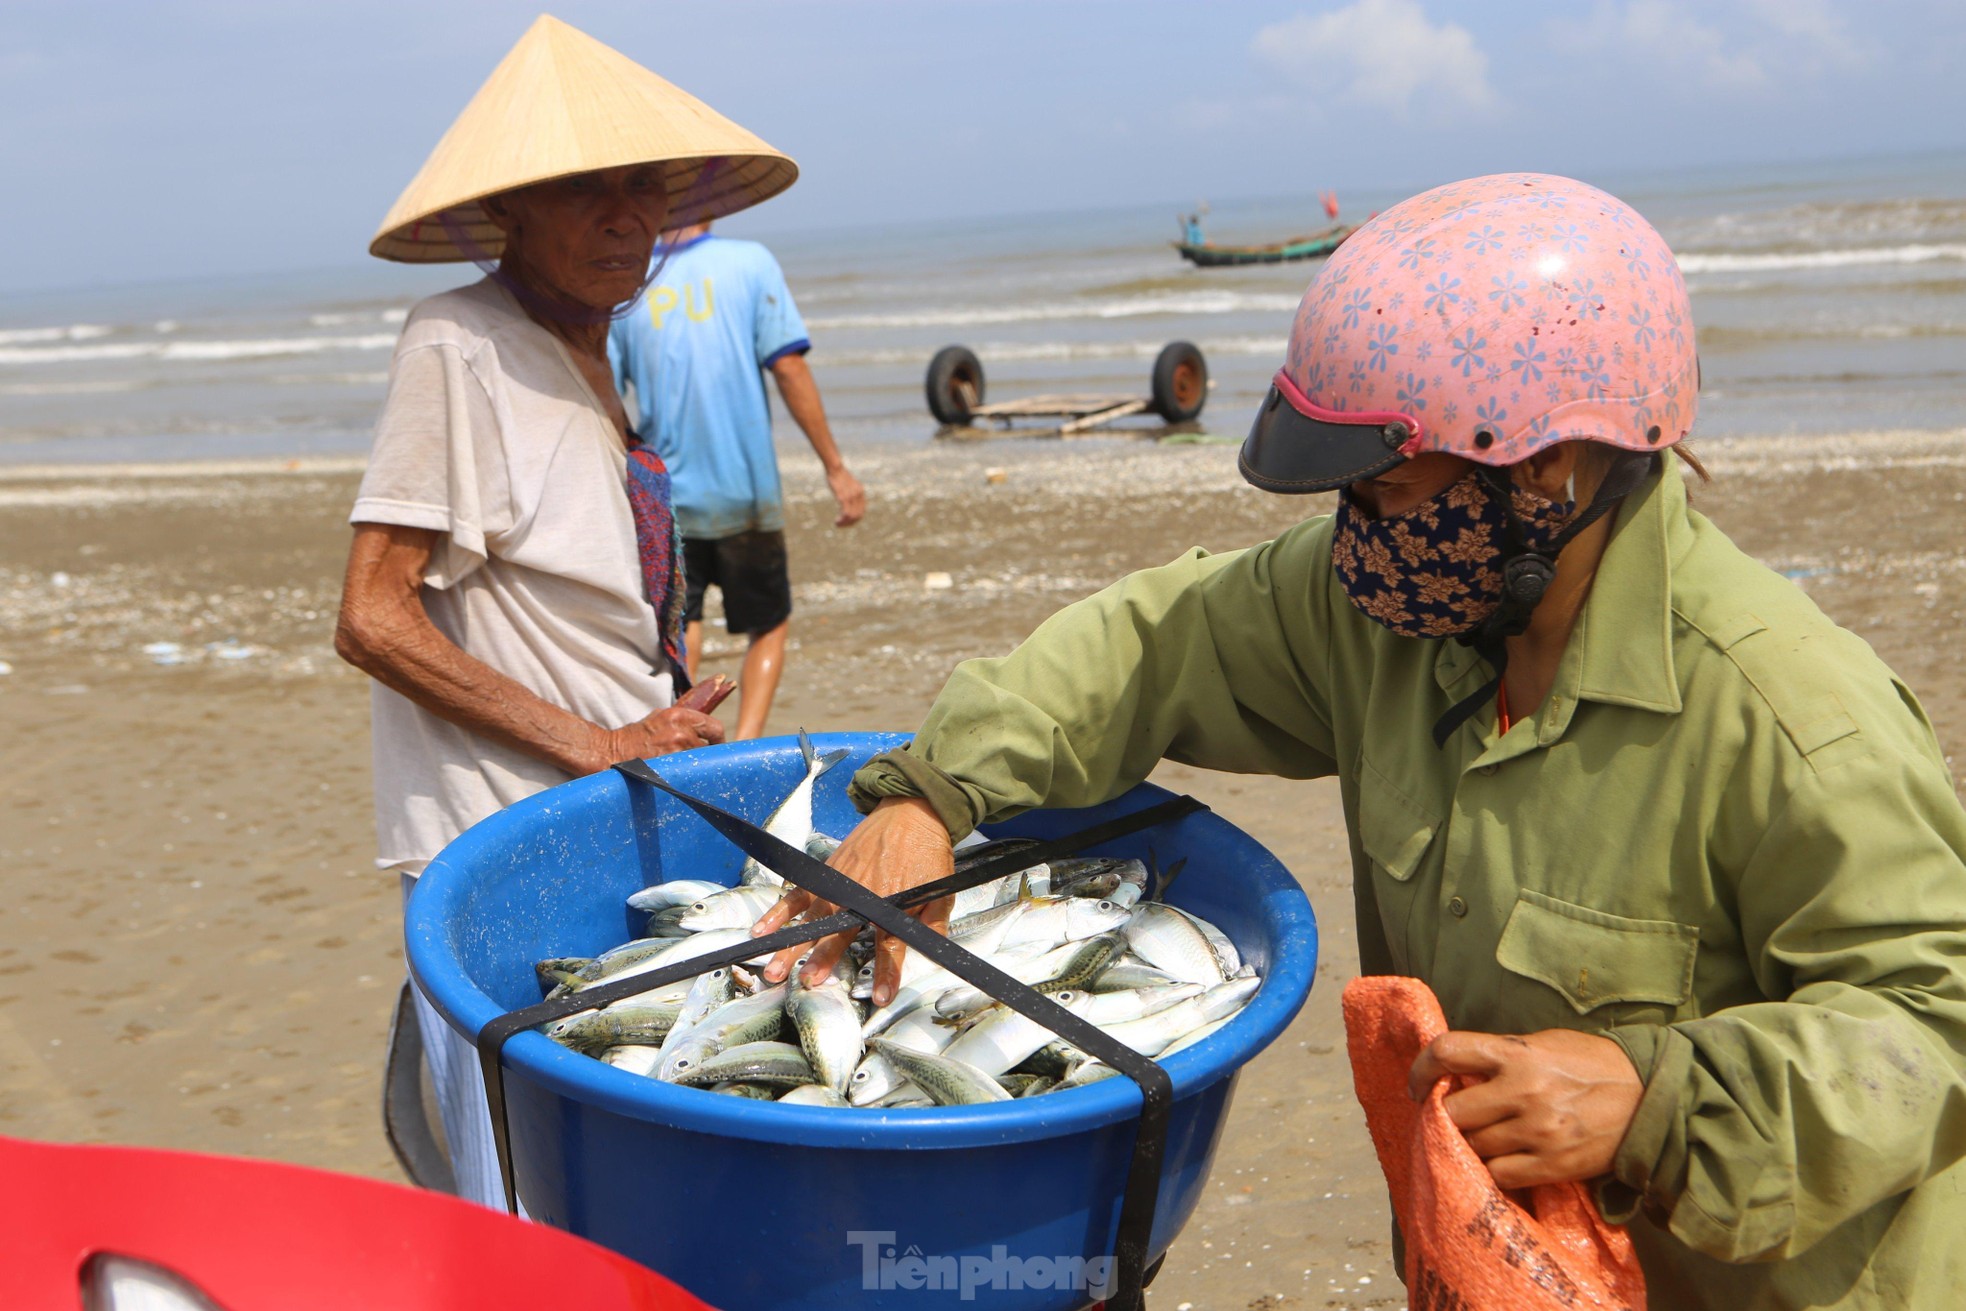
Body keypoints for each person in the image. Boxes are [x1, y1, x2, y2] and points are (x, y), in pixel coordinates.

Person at [756, 173, 1966, 1307]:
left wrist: (1655, 1099)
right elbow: (1153, 641)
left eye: (1385, 495)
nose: (1352, 540)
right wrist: (928, 796)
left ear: (1542, 471)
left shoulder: (1793, 718)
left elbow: (1934, 1019)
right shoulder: (1403, 610)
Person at [333, 14, 797, 1208]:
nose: (624, 216)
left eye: (643, 188)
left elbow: (580, 581)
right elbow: (374, 619)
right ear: (507, 214)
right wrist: (595, 741)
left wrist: (657, 695)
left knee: (623, 1181)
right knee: (515, 1192)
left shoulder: (598, 349)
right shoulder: (459, 342)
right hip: (501, 841)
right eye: (583, 190)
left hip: (607, 822)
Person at [610, 221, 864, 740]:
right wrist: (835, 467)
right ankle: (746, 740)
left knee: (686, 622)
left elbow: (606, 399)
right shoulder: (750, 262)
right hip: (745, 489)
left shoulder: (628, 280)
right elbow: (789, 367)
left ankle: (685, 738)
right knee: (767, 621)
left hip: (667, 497)